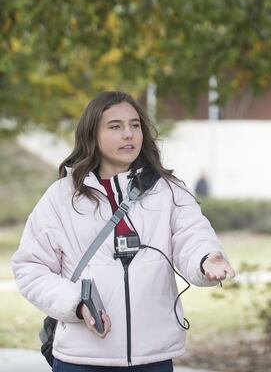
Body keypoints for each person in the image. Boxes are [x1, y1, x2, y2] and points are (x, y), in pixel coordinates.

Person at [11, 91, 235, 371]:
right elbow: (30, 267)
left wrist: (206, 259)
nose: (128, 134)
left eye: (135, 125)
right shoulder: (61, 197)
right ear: (91, 134)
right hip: (81, 359)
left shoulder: (169, 190)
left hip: (153, 358)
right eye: (115, 126)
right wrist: (77, 304)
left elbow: (192, 236)